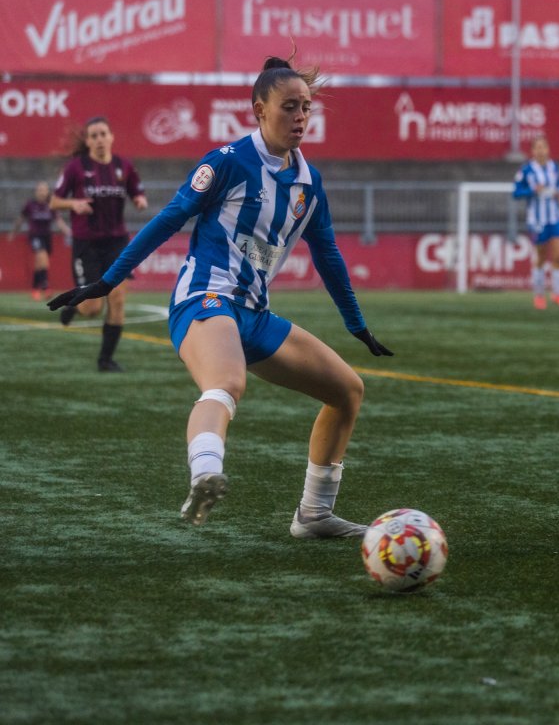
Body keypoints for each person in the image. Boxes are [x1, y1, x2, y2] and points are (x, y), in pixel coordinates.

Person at [48, 55, 393, 538]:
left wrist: (356, 324)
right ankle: (204, 474)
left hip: (253, 314)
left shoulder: (309, 183)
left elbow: (329, 256)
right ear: (258, 109)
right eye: (289, 106)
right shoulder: (227, 163)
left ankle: (313, 515)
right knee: (227, 383)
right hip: (204, 300)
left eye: (306, 108)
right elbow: (167, 219)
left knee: (347, 391)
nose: (300, 117)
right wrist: (106, 281)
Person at [49, 116, 149, 371]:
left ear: (111, 136)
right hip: (87, 245)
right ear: (88, 141)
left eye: (103, 134)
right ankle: (77, 308)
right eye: (93, 136)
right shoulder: (76, 168)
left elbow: (137, 190)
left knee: (117, 299)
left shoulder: (124, 166)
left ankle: (106, 360)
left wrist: (139, 199)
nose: (99, 139)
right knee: (93, 307)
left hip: (117, 242)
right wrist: (74, 204)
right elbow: (54, 202)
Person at [513, 136, 559, 309]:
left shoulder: (554, 167)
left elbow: (558, 186)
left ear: (547, 149)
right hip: (537, 219)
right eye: (537, 148)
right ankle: (539, 295)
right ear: (532, 151)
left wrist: (557, 192)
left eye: (543, 147)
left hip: (555, 217)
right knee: (540, 257)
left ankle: (558, 294)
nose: (540, 151)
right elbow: (516, 193)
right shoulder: (526, 170)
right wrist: (532, 190)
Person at [7, 181, 68, 301]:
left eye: (44, 190)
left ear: (47, 192)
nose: (42, 192)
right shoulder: (30, 205)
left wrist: (68, 231)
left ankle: (35, 288)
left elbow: (59, 221)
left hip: (47, 236)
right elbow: (21, 219)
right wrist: (13, 232)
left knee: (40, 264)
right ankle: (46, 287)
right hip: (35, 236)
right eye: (40, 190)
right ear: (36, 192)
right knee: (42, 257)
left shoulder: (51, 204)